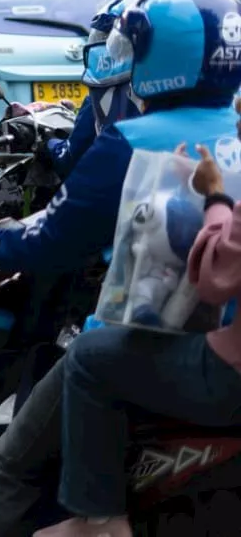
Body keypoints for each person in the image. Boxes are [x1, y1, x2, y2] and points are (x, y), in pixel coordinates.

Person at [0, 0, 241, 537]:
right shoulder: (233, 131)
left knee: (8, 466)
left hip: (185, 350)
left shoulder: (129, 140)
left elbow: (52, 240)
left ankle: (97, 515)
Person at [36, 136, 241, 537]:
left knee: (89, 357)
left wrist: (214, 197)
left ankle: (101, 517)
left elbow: (216, 272)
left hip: (228, 375)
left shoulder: (119, 138)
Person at [41, 0, 142, 179]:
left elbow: (69, 157)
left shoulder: (104, 96)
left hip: (124, 193)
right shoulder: (180, 93)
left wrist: (49, 142)